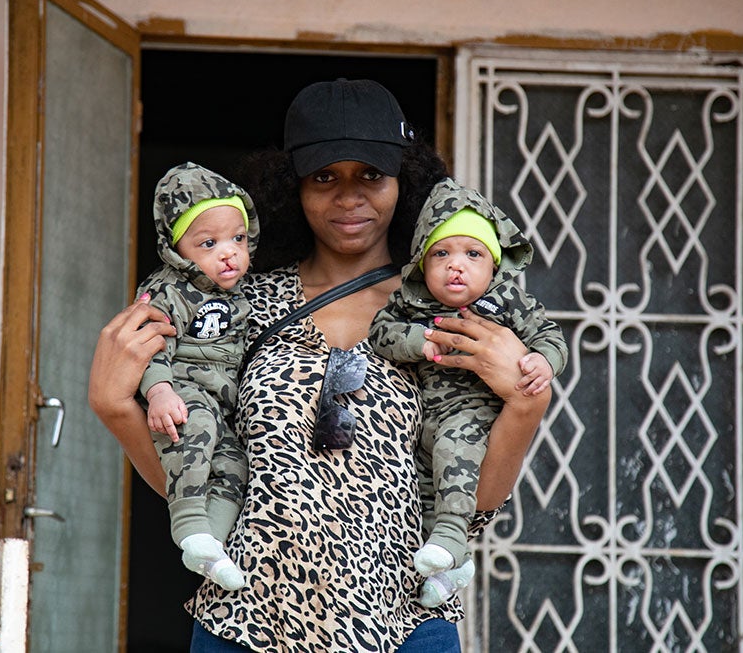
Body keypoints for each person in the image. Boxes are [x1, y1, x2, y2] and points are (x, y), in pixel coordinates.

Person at [88, 78, 552, 653]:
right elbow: (199, 474)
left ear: (406, 183)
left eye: (371, 175)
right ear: (292, 189)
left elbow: (476, 495)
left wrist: (528, 400)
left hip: (404, 624)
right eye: (324, 176)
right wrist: (116, 409)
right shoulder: (239, 304)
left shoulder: (444, 311)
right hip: (246, 621)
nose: (349, 197)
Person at [368, 177, 567, 601]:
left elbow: (550, 336)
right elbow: (381, 334)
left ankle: (452, 540)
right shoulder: (411, 301)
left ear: (494, 265)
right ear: (422, 262)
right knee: (421, 492)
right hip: (425, 417)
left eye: (473, 254)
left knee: (454, 461)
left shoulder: (509, 302)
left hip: (475, 411)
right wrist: (418, 341)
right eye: (441, 253)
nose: (456, 265)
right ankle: (450, 569)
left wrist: (541, 361)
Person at [135, 161, 259, 591]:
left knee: (233, 463)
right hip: (183, 389)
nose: (229, 252)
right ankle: (188, 523)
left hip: (222, 401)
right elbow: (151, 344)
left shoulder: (243, 293)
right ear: (177, 250)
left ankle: (211, 546)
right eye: (209, 243)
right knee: (196, 428)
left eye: (238, 238)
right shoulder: (171, 291)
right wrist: (160, 392)